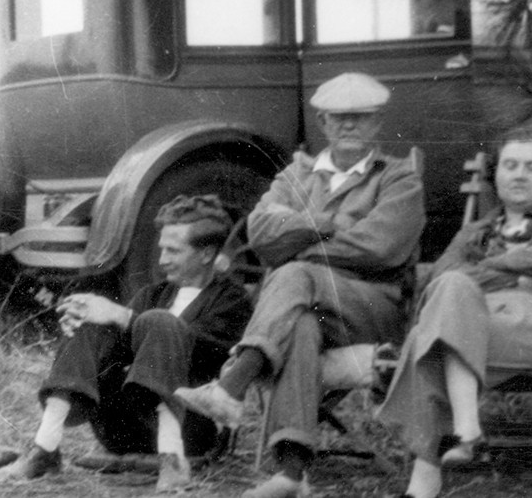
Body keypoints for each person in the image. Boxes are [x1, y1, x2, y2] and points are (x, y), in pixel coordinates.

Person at [173, 72, 425, 498]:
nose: (349, 124)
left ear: (378, 122)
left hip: (371, 308)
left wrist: (298, 243)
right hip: (303, 309)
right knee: (301, 326)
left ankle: (232, 386)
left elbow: (381, 247)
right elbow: (260, 232)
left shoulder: (398, 178)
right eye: (338, 117)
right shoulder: (297, 175)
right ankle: (292, 474)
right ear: (323, 122)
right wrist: (331, 223)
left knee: (292, 275)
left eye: (360, 116)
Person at [377, 130, 532, 498]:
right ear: (496, 176)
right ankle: (466, 433)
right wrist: (514, 275)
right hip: (478, 326)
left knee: (426, 336)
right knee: (451, 290)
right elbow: (440, 279)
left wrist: (487, 270)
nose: (519, 175)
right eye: (510, 166)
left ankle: (428, 473)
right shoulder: (473, 232)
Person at [0, 195, 252, 492]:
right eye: (162, 249)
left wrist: (123, 316)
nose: (162, 259)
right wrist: (84, 326)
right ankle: (45, 448)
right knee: (90, 320)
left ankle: (173, 460)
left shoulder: (232, 301)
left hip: (192, 429)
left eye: (173, 250)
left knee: (159, 321)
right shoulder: (154, 294)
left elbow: (207, 353)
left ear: (206, 254)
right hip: (122, 429)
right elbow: (117, 347)